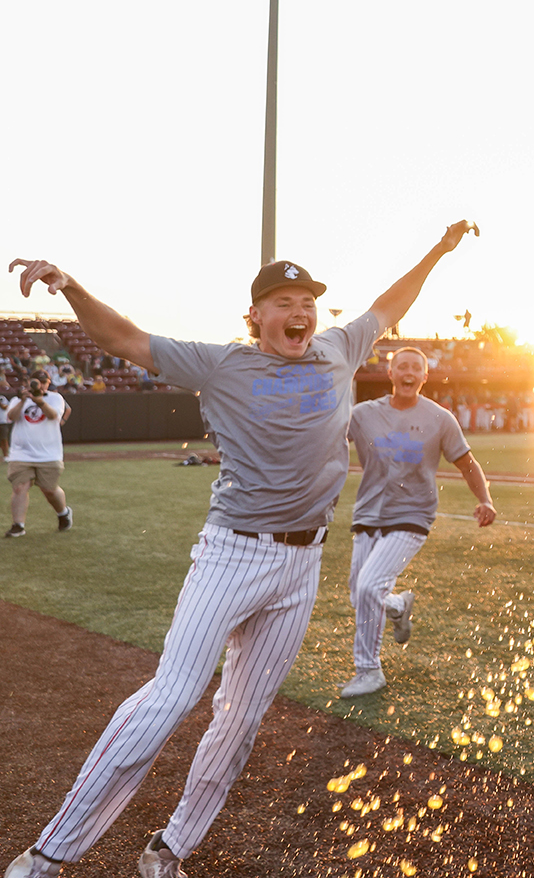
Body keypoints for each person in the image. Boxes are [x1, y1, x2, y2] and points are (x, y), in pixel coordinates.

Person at [3, 218, 474, 878]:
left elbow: (391, 305)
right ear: (255, 315)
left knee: (241, 717)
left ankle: (168, 851)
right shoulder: (222, 363)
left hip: (302, 562)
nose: (301, 309)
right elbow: (123, 337)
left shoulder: (338, 348)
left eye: (307, 299)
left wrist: (436, 251)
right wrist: (71, 285)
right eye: (285, 301)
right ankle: (50, 854)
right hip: (233, 553)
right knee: (172, 696)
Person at [340, 345, 497, 699]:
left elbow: (467, 464)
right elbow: (328, 443)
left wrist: (485, 500)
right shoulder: (362, 414)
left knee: (368, 588)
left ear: (425, 377)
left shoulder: (440, 418)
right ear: (391, 374)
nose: (409, 373)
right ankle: (398, 605)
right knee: (359, 594)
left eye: (416, 368)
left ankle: (369, 671)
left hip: (413, 515)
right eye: (402, 367)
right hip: (368, 514)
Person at [5, 369, 73, 538]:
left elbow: (53, 416)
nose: (41, 386)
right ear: (29, 381)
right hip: (21, 453)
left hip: (48, 453)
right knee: (20, 487)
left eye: (45, 383)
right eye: (37, 382)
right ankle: (18, 525)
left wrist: (39, 401)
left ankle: (63, 512)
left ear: (48, 384)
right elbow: (11, 417)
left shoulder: (55, 398)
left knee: (49, 489)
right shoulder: (17, 399)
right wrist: (23, 400)